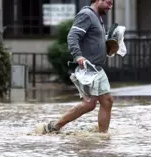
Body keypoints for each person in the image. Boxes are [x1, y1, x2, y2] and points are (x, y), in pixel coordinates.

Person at [43, 0, 114, 133]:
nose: (110, 7)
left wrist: (108, 47)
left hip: (97, 68)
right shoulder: (86, 15)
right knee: (90, 104)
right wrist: (78, 56)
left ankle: (102, 136)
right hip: (89, 68)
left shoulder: (97, 17)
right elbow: (72, 36)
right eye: (108, 3)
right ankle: (54, 126)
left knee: (106, 101)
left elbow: (93, 41)